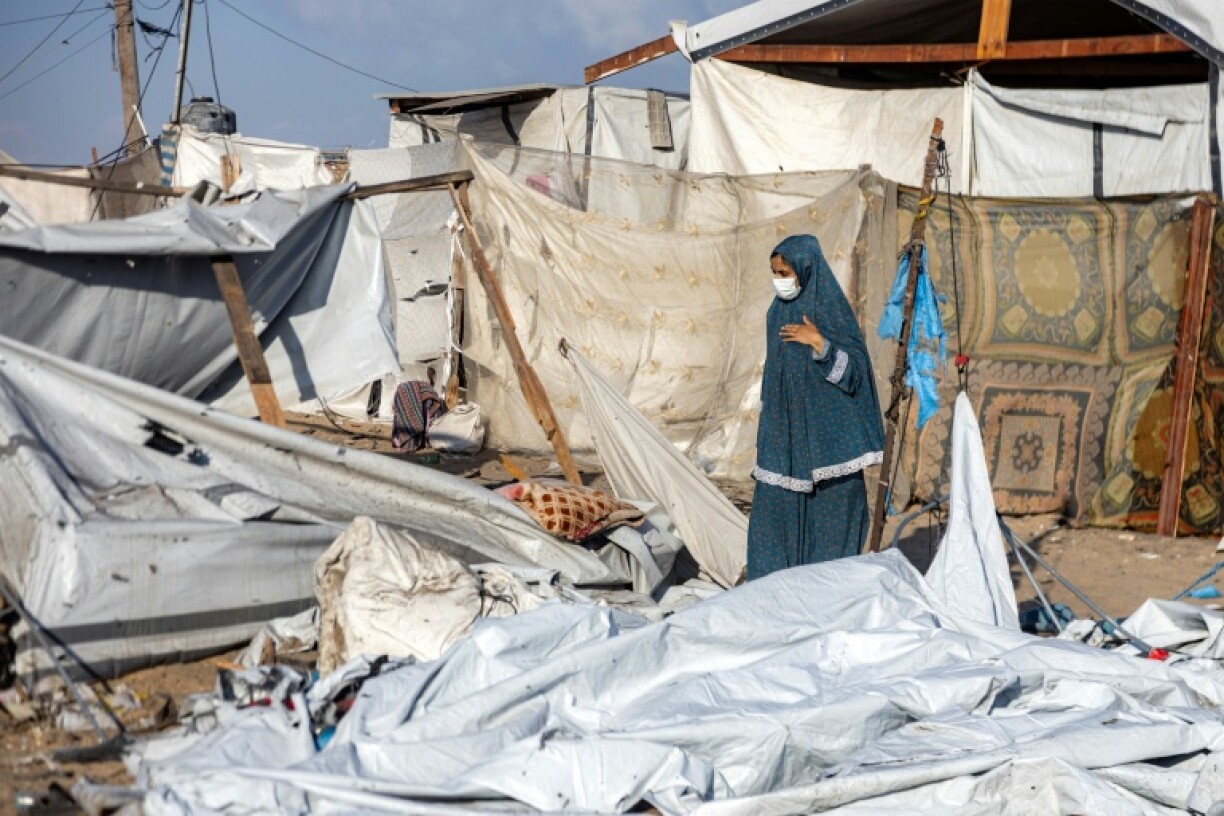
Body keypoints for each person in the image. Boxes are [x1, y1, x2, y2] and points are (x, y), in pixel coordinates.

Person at [747, 234, 885, 579]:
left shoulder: (829, 310)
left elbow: (855, 375)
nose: (780, 280)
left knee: (830, 532)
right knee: (772, 530)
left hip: (829, 446)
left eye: (784, 272)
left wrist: (820, 344)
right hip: (784, 444)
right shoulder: (775, 313)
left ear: (805, 269)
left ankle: (825, 603)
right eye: (775, 272)